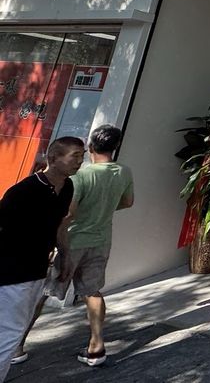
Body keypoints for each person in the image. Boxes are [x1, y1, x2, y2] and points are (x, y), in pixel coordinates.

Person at [19, 124, 134, 368]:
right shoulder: (123, 172)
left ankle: (17, 345)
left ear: (91, 147)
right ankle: (96, 345)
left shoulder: (81, 176)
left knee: (46, 292)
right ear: (115, 147)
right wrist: (102, 210)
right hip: (101, 240)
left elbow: (67, 213)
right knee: (92, 291)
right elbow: (128, 202)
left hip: (72, 241)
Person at [0, 136, 85, 379]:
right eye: (74, 156)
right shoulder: (24, 191)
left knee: (12, 330)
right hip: (11, 271)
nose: (79, 162)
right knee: (10, 332)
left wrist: (66, 255)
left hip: (37, 269)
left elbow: (59, 225)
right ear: (53, 158)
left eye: (82, 156)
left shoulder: (67, 187)